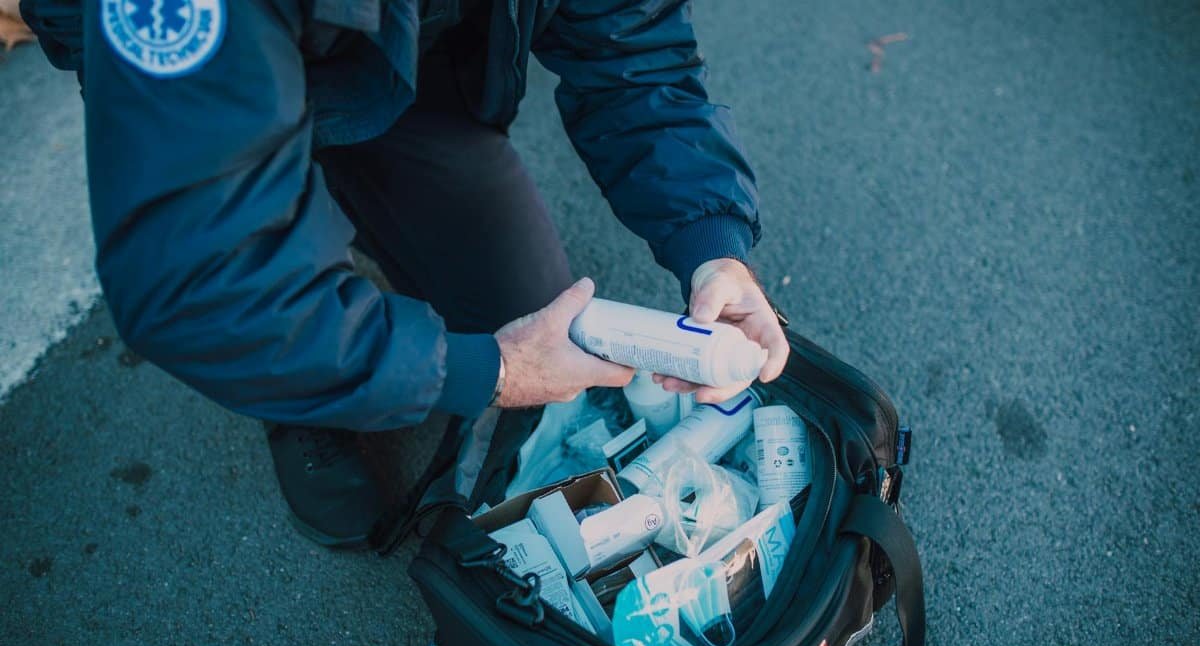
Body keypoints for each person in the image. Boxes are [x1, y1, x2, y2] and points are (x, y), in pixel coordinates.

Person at [19, 0, 789, 549]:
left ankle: (336, 301)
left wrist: (710, 239)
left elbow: (633, 43)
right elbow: (199, 278)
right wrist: (494, 369)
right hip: (219, 82)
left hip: (394, 59)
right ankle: (297, 394)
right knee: (261, 290)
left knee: (524, 304)